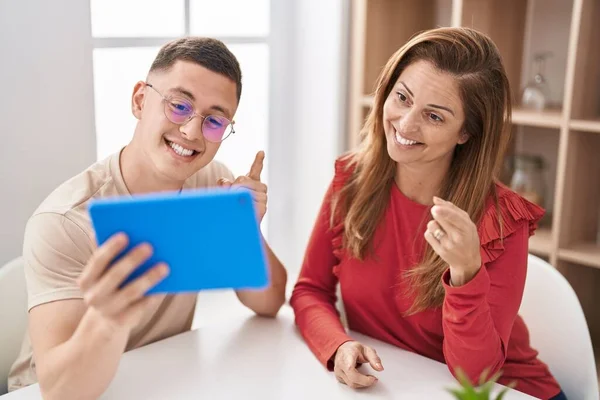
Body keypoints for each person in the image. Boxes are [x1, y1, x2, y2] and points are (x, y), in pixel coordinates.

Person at [290, 27, 566, 400]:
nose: (405, 125)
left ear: (466, 133)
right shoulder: (351, 181)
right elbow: (310, 291)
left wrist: (466, 272)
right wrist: (338, 346)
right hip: (398, 385)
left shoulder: (500, 222)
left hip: (506, 393)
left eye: (434, 117)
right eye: (402, 98)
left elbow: (476, 375)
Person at [8, 37, 287, 398]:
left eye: (214, 121)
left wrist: (245, 231)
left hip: (154, 378)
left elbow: (269, 303)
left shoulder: (210, 181)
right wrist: (107, 319)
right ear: (140, 100)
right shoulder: (64, 220)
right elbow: (60, 390)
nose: (191, 132)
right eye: (179, 105)